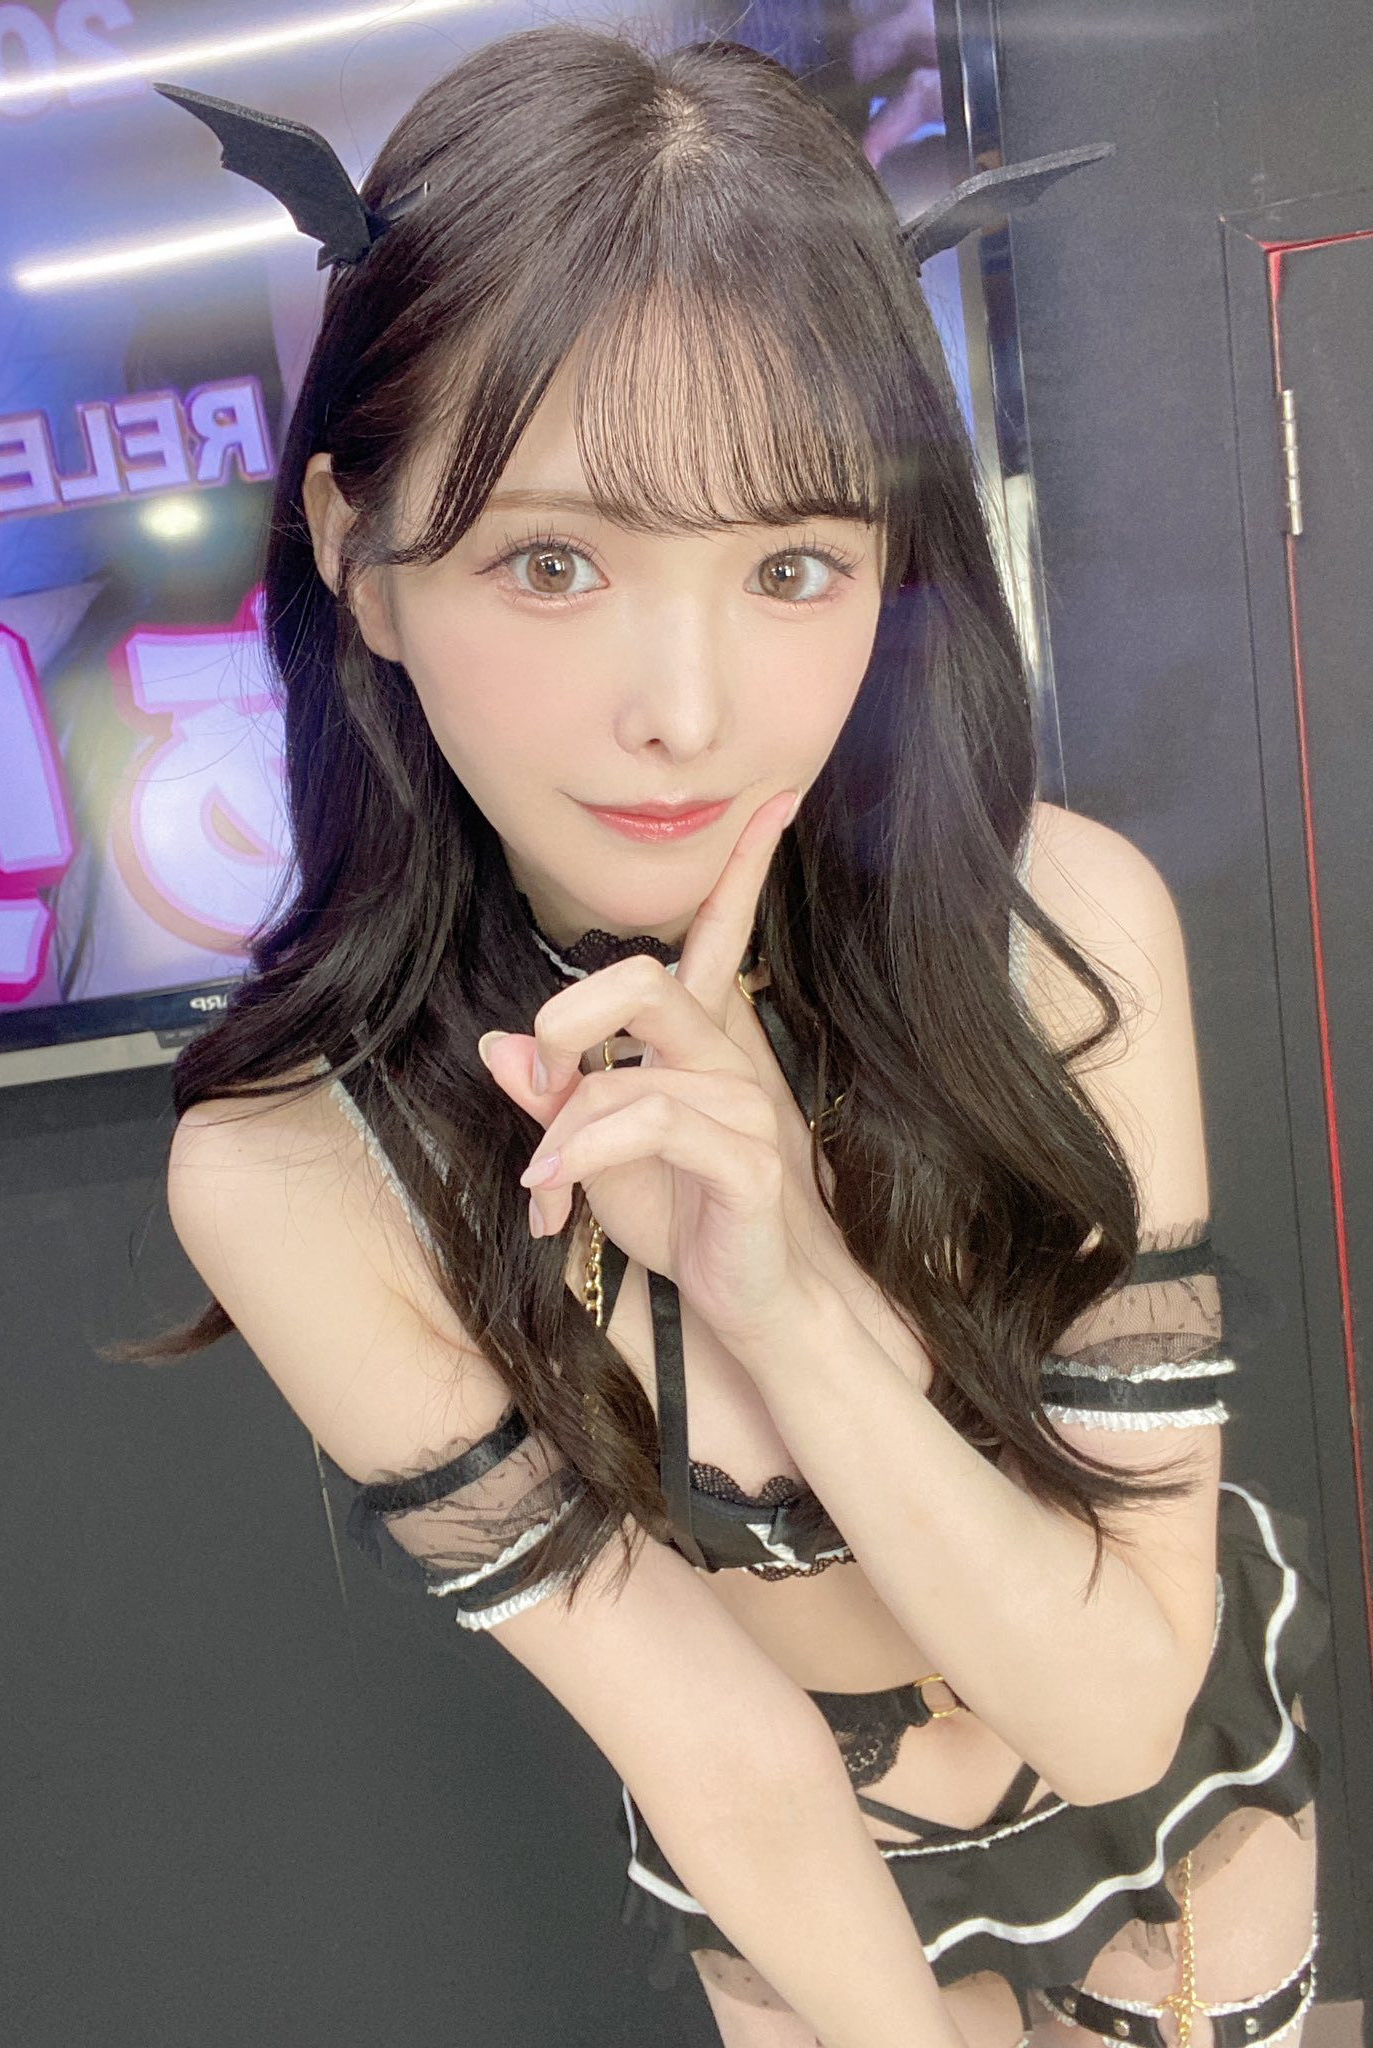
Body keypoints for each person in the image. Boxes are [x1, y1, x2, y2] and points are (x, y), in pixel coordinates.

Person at [141, 24, 1329, 2048]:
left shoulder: (1056, 940)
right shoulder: (301, 1166)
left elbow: (1116, 1704)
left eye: (791, 564)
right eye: (551, 561)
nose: (683, 711)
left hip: (1181, 1829)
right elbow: (726, 1756)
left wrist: (783, 1289)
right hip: (795, 1891)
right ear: (359, 556)